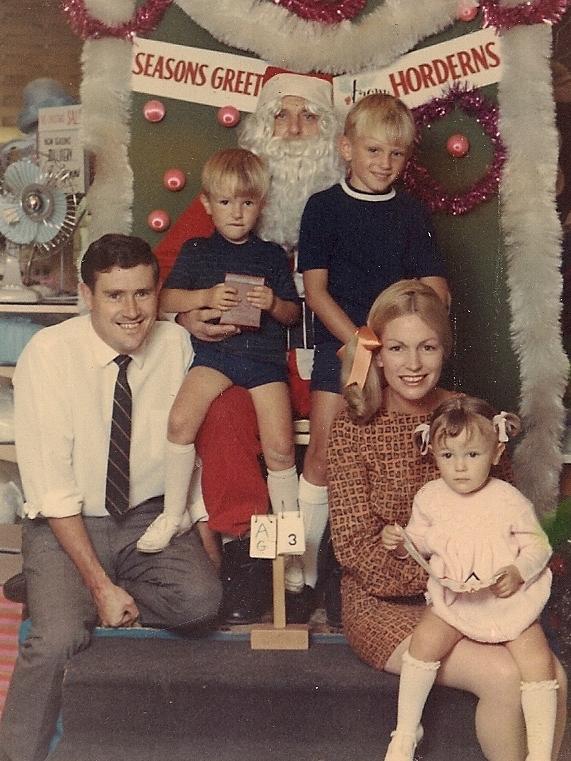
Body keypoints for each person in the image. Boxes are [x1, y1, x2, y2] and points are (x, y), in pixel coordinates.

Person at [0, 234, 222, 761]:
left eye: (143, 294)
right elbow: (52, 491)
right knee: (56, 639)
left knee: (202, 601)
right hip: (68, 520)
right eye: (115, 295)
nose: (132, 311)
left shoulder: (177, 346)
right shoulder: (48, 356)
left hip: (148, 517)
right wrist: (99, 587)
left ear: (158, 291)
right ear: (86, 295)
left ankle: (71, 590)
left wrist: (205, 544)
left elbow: (193, 459)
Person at [326, 279, 567, 761]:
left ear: (445, 348)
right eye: (397, 348)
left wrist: (491, 577)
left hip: (474, 592)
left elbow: (503, 515)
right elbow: (353, 545)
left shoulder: (469, 417)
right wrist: (442, 578)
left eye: (427, 347)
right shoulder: (353, 425)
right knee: (502, 677)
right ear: (377, 351)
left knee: (556, 678)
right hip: (385, 603)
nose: (413, 365)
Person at [154, 67, 344, 624]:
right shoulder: (219, 201)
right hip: (247, 358)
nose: (292, 129)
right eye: (280, 116)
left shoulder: (340, 202)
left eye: (308, 116)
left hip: (326, 360)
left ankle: (322, 565)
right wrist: (192, 316)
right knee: (224, 421)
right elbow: (164, 282)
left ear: (329, 132)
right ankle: (252, 563)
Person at [292, 93, 450, 619]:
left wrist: (415, 327)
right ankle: (305, 573)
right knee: (322, 456)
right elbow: (316, 292)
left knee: (394, 457)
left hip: (400, 352)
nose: (384, 164)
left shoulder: (410, 212)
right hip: (349, 347)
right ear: (346, 148)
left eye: (396, 154)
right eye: (373, 150)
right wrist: (362, 345)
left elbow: (434, 288)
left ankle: (360, 566)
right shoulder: (324, 207)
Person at [137, 148, 300, 553]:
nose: (237, 213)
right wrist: (204, 297)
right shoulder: (197, 251)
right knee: (179, 422)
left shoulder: (271, 255)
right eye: (225, 202)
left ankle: (289, 545)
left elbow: (293, 314)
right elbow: (166, 299)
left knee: (280, 448)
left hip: (263, 362)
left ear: (260, 205)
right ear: (208, 204)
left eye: (247, 203)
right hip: (218, 357)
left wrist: (271, 304)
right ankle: (173, 514)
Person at [381, 395, 556, 761]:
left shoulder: (509, 500)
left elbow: (539, 547)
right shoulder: (429, 497)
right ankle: (405, 732)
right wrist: (401, 543)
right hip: (457, 598)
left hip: (504, 599)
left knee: (538, 661)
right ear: (433, 454)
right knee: (425, 640)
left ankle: (539, 754)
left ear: (494, 454)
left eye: (472, 455)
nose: (460, 467)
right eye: (449, 456)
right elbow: (423, 543)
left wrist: (518, 571)